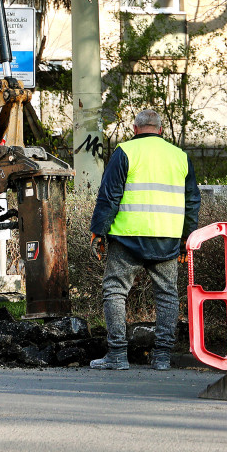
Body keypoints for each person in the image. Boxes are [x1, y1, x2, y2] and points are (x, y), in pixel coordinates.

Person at [88, 109, 201, 371]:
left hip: (128, 238)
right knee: (167, 295)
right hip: (167, 239)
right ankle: (161, 357)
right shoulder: (180, 156)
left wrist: (98, 231)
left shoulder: (125, 152)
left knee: (115, 290)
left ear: (135, 129)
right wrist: (187, 237)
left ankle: (117, 355)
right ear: (160, 130)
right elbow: (192, 200)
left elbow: (109, 195)